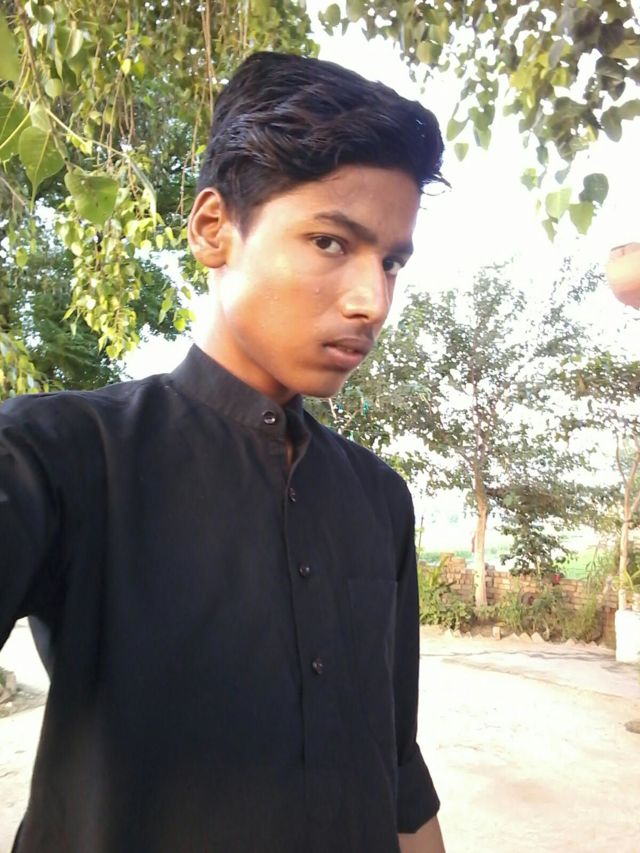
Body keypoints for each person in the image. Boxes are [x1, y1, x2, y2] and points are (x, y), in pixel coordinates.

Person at [0, 52, 446, 852]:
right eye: (330, 242)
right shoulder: (62, 456)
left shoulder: (381, 498)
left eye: (391, 262)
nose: (373, 301)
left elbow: (399, 773)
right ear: (214, 229)